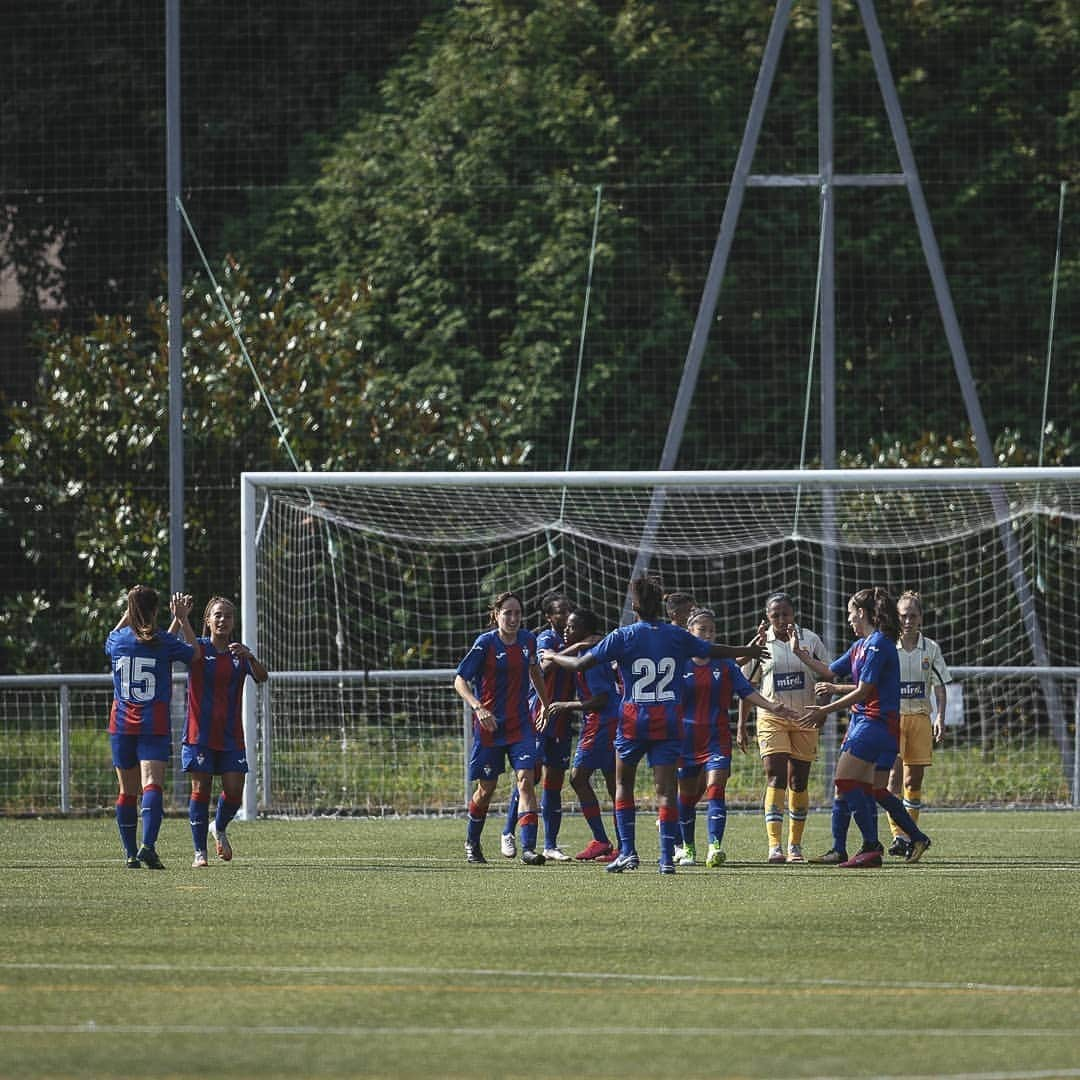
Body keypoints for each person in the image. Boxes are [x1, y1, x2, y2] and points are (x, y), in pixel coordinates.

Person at [547, 576, 769, 874]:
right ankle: (666, 859)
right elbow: (712, 650)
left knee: (624, 785)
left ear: (635, 606)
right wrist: (750, 651)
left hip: (632, 721)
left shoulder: (623, 635)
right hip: (667, 721)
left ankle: (628, 852)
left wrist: (551, 655)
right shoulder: (674, 635)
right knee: (666, 790)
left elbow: (577, 665)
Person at [795, 587, 931, 867]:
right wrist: (801, 655)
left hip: (875, 724)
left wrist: (825, 710)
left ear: (862, 613)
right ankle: (915, 838)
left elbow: (863, 691)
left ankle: (870, 846)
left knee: (844, 782)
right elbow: (831, 670)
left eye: (850, 614)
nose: (848, 620)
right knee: (874, 789)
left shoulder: (879, 644)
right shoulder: (861, 645)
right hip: (870, 724)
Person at [678, 607, 796, 868]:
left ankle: (714, 847)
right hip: (685, 740)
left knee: (716, 789)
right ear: (690, 632)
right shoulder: (678, 663)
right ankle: (687, 848)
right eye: (702, 630)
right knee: (685, 798)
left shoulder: (725, 663)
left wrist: (771, 706)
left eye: (712, 630)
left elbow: (745, 691)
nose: (708, 635)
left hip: (717, 737)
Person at [105, 585, 200, 869]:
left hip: (121, 725)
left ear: (130, 610)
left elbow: (120, 637)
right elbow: (194, 654)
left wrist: (129, 612)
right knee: (152, 785)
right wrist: (182, 618)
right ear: (155, 610)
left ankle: (131, 854)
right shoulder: (162, 642)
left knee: (127, 792)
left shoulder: (118, 640)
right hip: (152, 723)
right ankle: (148, 846)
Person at [454, 591, 551, 866]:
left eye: (517, 613)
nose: (513, 618)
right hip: (490, 727)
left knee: (526, 779)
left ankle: (529, 848)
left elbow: (535, 673)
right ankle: (472, 842)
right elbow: (460, 680)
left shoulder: (528, 641)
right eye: (507, 613)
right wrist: (478, 707)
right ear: (496, 615)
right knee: (486, 789)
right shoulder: (485, 644)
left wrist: (546, 704)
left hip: (520, 725)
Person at [174, 595, 268, 868]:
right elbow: (190, 647)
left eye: (227, 616)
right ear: (208, 620)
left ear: (233, 622)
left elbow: (262, 677)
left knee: (234, 792)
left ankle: (220, 826)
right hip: (200, 734)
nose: (222, 620)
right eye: (217, 615)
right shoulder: (198, 648)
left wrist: (250, 655)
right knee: (201, 790)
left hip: (231, 736)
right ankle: (199, 852)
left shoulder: (239, 655)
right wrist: (182, 619)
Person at [737, 592, 830, 864]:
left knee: (798, 781)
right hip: (771, 716)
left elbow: (827, 675)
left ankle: (795, 846)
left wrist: (822, 709)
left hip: (805, 717)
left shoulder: (810, 640)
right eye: (775, 615)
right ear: (767, 617)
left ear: (793, 615)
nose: (780, 619)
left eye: (785, 614)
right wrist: (742, 724)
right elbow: (747, 687)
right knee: (775, 775)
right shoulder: (760, 645)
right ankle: (774, 846)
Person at [501, 591, 576, 861]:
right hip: (538, 716)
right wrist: (569, 652)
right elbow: (542, 667)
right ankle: (508, 832)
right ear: (549, 616)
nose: (566, 614)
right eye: (560, 610)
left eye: (568, 608)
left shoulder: (572, 638)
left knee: (554, 781)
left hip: (562, 719)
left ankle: (550, 844)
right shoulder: (544, 638)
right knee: (529, 777)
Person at [545, 607, 620, 861]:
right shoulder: (589, 651)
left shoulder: (590, 657)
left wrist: (566, 704)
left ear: (586, 631)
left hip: (601, 721)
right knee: (613, 783)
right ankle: (622, 845)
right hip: (611, 721)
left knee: (578, 778)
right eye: (566, 626)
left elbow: (600, 698)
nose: (566, 630)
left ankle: (602, 840)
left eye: (572, 626)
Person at [885, 590, 950, 856]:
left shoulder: (930, 648)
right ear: (896, 618)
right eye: (903, 616)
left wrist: (940, 717)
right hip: (893, 719)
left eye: (913, 615)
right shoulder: (889, 646)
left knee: (914, 782)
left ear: (921, 617)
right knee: (892, 779)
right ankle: (899, 836)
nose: (908, 620)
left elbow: (940, 686)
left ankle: (912, 836)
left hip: (920, 719)